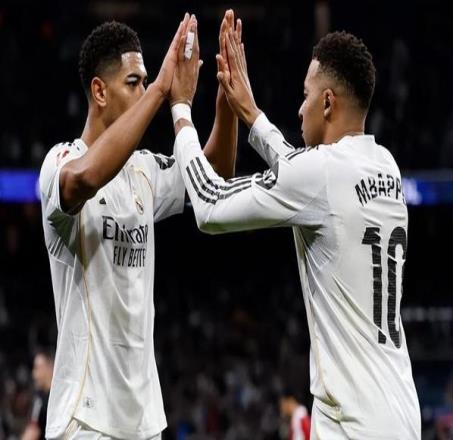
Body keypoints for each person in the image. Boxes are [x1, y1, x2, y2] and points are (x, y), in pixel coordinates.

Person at [169, 14, 421, 439]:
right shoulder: (385, 165)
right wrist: (251, 114)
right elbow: (303, 172)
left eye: (306, 96)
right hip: (398, 409)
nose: (300, 108)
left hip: (354, 423)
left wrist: (181, 110)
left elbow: (210, 206)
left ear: (328, 103)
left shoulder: (322, 173)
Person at [39, 11, 239, 440]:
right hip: (85, 420)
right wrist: (164, 89)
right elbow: (84, 179)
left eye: (147, 82)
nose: (146, 92)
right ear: (99, 91)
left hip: (144, 421)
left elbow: (215, 174)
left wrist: (227, 98)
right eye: (134, 83)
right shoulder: (61, 161)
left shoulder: (144, 170)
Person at [21, 349, 54, 440]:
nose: (34, 374)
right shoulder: (63, 395)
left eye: (37, 368)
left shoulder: (39, 400)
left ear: (50, 367)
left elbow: (32, 432)